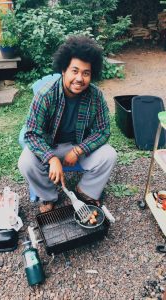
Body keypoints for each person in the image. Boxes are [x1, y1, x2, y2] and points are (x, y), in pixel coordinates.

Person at [18, 35, 117, 213]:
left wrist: (79, 149)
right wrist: (51, 157)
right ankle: (48, 196)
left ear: (91, 75)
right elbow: (31, 134)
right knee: (26, 161)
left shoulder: (96, 96)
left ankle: (85, 191)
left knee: (109, 155)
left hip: (79, 146)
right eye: (75, 71)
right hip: (51, 145)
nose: (79, 78)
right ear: (64, 70)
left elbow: (103, 131)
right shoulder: (45, 95)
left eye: (86, 73)